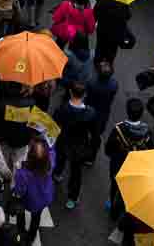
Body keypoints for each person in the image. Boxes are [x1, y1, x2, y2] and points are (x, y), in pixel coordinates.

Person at [104, 98, 153, 219]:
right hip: (136, 166)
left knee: (115, 186)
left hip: (118, 164)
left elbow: (109, 148)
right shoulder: (147, 130)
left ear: (127, 111)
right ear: (141, 113)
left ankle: (113, 205)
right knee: (129, 189)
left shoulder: (118, 129)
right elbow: (151, 149)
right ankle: (122, 207)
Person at [53, 81, 96, 210]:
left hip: (63, 140)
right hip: (79, 145)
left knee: (60, 159)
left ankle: (57, 174)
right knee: (76, 173)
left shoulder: (62, 109)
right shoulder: (90, 113)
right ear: (85, 95)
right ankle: (72, 197)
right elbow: (94, 132)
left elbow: (54, 124)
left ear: (70, 92)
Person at [12, 137, 56, 244]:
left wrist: (17, 168)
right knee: (36, 218)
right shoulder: (50, 163)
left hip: (28, 200)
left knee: (20, 213)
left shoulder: (23, 174)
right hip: (43, 198)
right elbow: (52, 150)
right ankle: (31, 237)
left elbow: (19, 191)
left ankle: (21, 232)